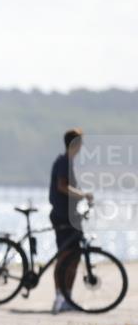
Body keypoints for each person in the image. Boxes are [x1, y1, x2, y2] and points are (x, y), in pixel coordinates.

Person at [50, 128, 93, 314]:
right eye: (81, 142)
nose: (82, 146)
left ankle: (67, 296)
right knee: (65, 257)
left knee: (74, 257)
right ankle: (60, 297)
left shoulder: (69, 163)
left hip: (71, 216)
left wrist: (82, 196)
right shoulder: (63, 162)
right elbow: (62, 186)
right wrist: (82, 194)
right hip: (63, 216)